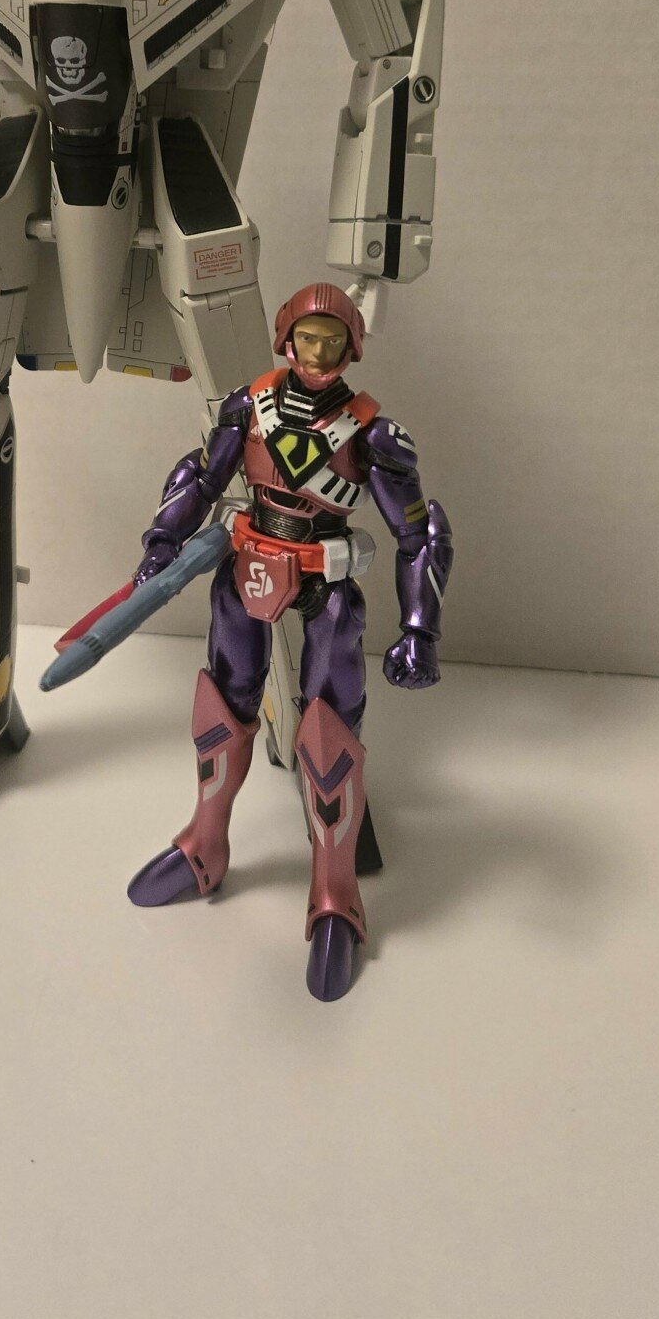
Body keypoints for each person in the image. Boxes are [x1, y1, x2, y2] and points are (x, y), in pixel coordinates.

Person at [127, 282, 453, 1000]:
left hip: (325, 584)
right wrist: (163, 539)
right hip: (247, 569)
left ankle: (335, 892)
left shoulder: (371, 433)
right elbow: (201, 475)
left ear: (351, 348)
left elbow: (419, 535)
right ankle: (203, 844)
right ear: (286, 338)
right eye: (308, 338)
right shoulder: (248, 406)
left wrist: (418, 630)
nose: (318, 352)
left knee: (328, 734)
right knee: (222, 709)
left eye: (332, 341)